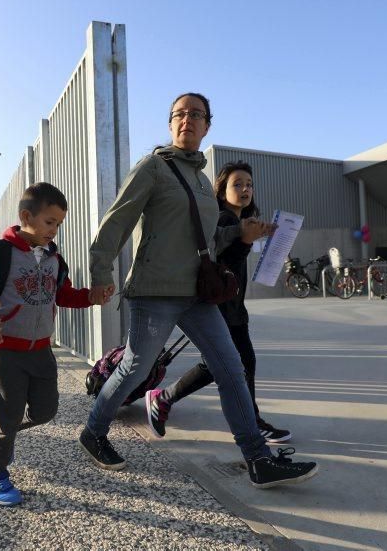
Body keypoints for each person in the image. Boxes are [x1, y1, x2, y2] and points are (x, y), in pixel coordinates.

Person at [82, 92, 318, 489]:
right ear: (170, 123)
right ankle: (93, 432)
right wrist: (100, 271)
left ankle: (259, 459)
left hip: (196, 294)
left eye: (196, 114)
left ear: (208, 125)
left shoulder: (201, 181)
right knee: (135, 368)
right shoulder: (153, 167)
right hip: (154, 290)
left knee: (232, 369)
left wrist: (240, 232)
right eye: (179, 113)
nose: (187, 119)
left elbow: (208, 236)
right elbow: (116, 220)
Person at [0, 182, 104, 507]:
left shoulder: (54, 258)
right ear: (26, 216)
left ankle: (2, 424)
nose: (55, 230)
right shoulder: (0, 254)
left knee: (46, 410)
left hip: (41, 351)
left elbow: (63, 295)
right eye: (50, 222)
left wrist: (90, 297)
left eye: (58, 224)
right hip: (7, 352)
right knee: (10, 417)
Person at [145, 161, 291, 444]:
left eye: (249, 184)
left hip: (234, 307)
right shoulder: (222, 219)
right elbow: (222, 264)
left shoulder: (240, 222)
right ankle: (252, 422)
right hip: (219, 307)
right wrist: (245, 241)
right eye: (237, 184)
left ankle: (163, 398)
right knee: (235, 363)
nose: (245, 189)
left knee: (226, 364)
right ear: (222, 191)